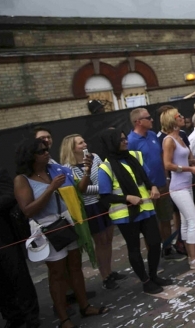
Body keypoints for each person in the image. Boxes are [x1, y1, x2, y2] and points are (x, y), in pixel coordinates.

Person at [14, 138, 107, 328]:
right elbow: (28, 210)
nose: (47, 153)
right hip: (48, 227)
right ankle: (64, 318)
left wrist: (87, 171)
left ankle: (85, 306)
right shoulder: (22, 179)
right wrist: (50, 189)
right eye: (41, 151)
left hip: (67, 221)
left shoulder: (54, 169)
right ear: (30, 156)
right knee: (57, 273)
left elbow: (79, 189)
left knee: (75, 266)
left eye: (47, 149)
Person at [98, 129, 173, 294]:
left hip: (146, 208)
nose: (125, 141)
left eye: (125, 138)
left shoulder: (135, 156)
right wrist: (127, 198)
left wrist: (153, 187)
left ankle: (153, 275)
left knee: (154, 242)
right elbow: (104, 196)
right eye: (121, 140)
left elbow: (147, 178)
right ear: (112, 143)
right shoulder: (105, 166)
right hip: (125, 215)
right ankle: (146, 281)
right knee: (134, 249)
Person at [59, 134, 125, 290]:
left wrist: (104, 190)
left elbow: (104, 176)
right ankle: (105, 277)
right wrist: (103, 190)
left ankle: (109, 270)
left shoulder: (94, 157)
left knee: (109, 238)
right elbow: (81, 190)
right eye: (80, 143)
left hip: (103, 203)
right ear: (72, 147)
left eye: (84, 141)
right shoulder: (68, 167)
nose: (84, 144)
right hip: (90, 207)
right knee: (100, 241)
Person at [0, 164, 40, 328]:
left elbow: (10, 197)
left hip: (4, 236)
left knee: (18, 276)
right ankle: (13, 316)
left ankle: (31, 316)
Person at [127, 108, 184, 261]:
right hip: (147, 189)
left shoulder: (152, 135)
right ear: (138, 122)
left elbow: (160, 158)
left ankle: (167, 249)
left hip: (162, 184)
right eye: (148, 117)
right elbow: (132, 166)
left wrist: (166, 179)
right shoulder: (131, 141)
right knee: (151, 224)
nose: (152, 120)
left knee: (165, 218)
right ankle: (154, 253)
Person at [160, 108, 195, 270]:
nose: (182, 117)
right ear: (172, 120)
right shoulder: (169, 140)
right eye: (179, 116)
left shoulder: (180, 136)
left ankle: (192, 253)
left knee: (185, 222)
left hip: (186, 184)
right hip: (178, 187)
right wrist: (190, 169)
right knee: (194, 220)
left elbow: (185, 159)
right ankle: (193, 259)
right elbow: (167, 164)